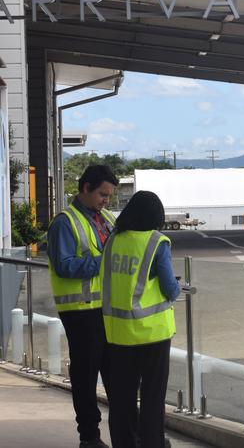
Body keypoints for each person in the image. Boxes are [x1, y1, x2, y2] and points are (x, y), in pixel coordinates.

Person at [100, 190, 180, 448]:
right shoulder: (157, 242)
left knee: (121, 397)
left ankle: (124, 444)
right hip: (152, 333)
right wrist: (179, 288)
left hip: (118, 333)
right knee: (152, 397)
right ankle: (152, 443)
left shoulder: (113, 240)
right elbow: (170, 287)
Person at [47, 164, 119, 448]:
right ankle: (90, 437)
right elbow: (64, 266)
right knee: (86, 376)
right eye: (102, 194)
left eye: (109, 196)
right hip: (80, 311)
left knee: (117, 374)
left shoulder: (107, 218)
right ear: (86, 188)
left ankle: (129, 434)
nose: (106, 200)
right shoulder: (65, 222)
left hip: (108, 310)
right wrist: (105, 263)